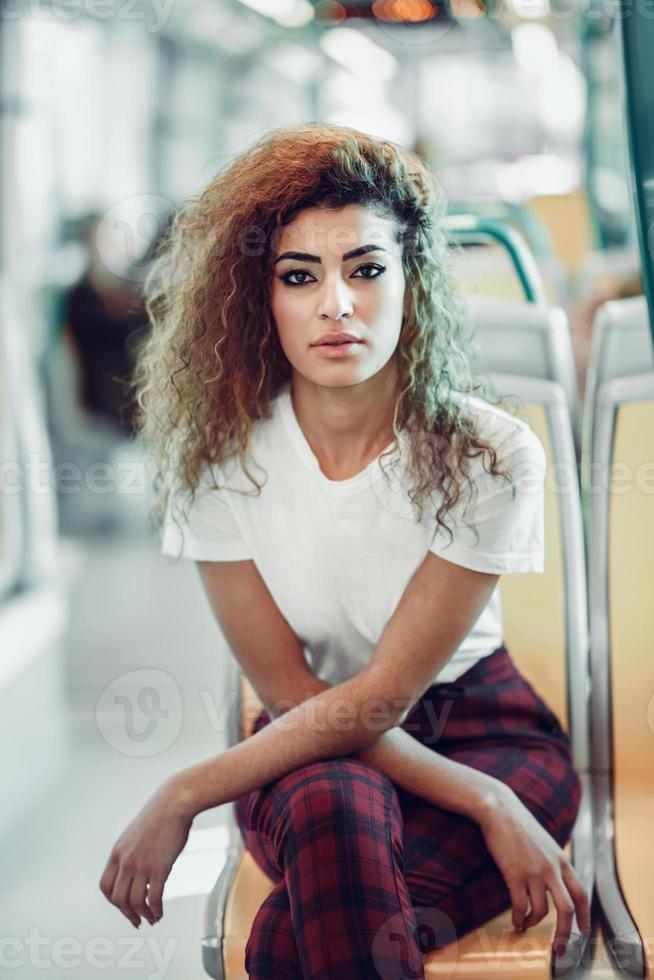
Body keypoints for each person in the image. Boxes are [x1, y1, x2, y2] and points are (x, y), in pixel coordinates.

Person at [99, 122, 590, 978]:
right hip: (304, 741)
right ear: (261, 298)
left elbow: (385, 695)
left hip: (486, 733)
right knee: (330, 802)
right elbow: (296, 693)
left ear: (413, 284)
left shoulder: (489, 453)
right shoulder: (218, 465)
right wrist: (489, 808)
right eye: (300, 276)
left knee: (300, 942)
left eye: (366, 269)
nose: (337, 304)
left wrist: (186, 790)